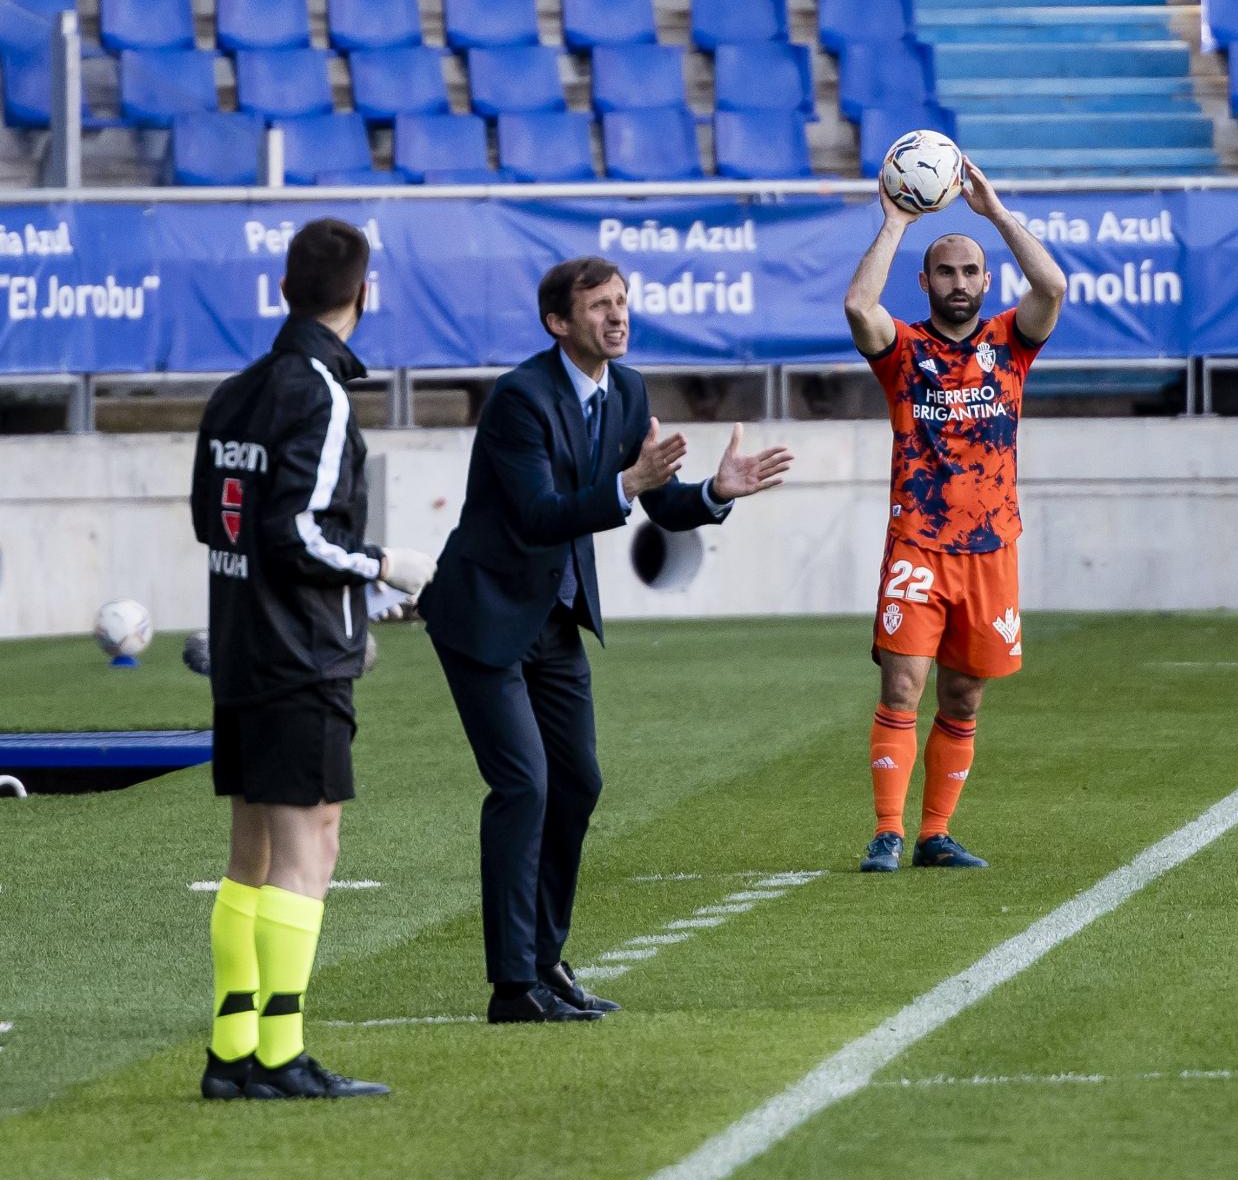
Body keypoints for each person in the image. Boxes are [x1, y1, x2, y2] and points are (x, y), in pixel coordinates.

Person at [418, 256, 793, 1022]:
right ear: (559, 322)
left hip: (553, 619)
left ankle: (544, 961)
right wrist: (629, 484)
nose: (617, 316)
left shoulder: (626, 389)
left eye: (622, 302)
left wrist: (716, 493)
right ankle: (511, 986)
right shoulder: (520, 399)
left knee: (578, 782)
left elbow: (655, 504)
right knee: (525, 785)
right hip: (484, 617)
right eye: (598, 306)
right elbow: (539, 514)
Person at [190, 218, 437, 1098]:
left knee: (251, 850)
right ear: (361, 295)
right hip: (299, 654)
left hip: (243, 647)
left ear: (286, 289)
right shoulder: (320, 393)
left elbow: (215, 524)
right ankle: (281, 1054)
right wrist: (382, 567)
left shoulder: (234, 389)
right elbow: (293, 529)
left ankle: (233, 1051)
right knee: (310, 845)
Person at [843, 161, 1066, 873]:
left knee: (963, 695)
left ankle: (936, 834)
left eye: (971, 271)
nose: (959, 282)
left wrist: (997, 213)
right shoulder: (903, 352)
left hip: (992, 548)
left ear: (986, 281)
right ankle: (887, 831)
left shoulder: (1011, 343)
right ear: (926, 282)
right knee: (903, 684)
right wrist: (898, 222)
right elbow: (856, 306)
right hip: (918, 545)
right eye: (945, 272)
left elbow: (1054, 287)